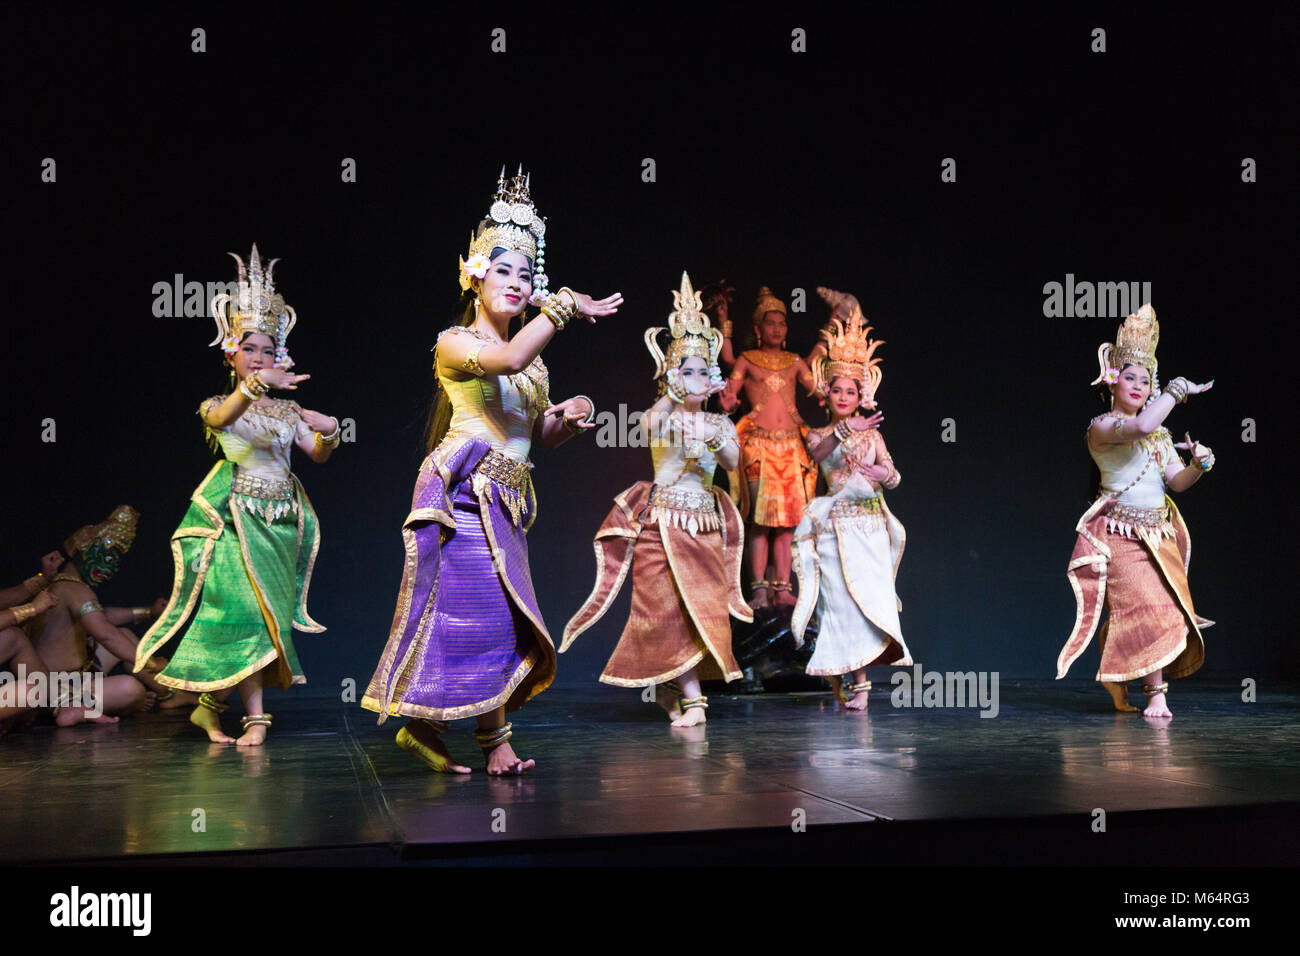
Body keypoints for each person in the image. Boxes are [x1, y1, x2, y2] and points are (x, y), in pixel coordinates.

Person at [362, 166, 622, 774]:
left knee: (487, 618)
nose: (515, 281)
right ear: (475, 276)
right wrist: (560, 308)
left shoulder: (536, 369)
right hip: (464, 495)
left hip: (507, 499)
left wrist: (572, 415)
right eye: (502, 269)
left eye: (526, 273)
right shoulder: (453, 342)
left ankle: (429, 726)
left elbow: (536, 439)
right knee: (486, 615)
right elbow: (506, 356)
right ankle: (490, 741)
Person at [134, 245, 341, 745]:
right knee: (246, 615)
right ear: (231, 352)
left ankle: (207, 709)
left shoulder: (285, 412)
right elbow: (222, 420)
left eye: (269, 351)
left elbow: (315, 454)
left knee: (267, 620)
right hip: (234, 522)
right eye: (251, 349)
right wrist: (253, 386)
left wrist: (331, 430)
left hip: (280, 525)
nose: (261, 358)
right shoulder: (220, 404)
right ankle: (255, 720)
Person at [562, 272, 752, 727]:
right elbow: (645, 426)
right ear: (671, 375)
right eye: (687, 370)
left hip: (702, 525)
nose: (697, 378)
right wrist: (672, 395)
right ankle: (685, 695)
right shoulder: (662, 415)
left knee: (697, 609)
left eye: (704, 370)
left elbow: (730, 463)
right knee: (658, 612)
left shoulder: (719, 424)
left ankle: (684, 695)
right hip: (662, 523)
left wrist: (707, 436)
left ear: (715, 377)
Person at [1055, 305, 1215, 719]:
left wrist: (1198, 464)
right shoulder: (1103, 427)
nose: (1139, 386)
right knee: (1145, 607)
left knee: (1164, 608)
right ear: (1112, 380)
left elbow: (1176, 482)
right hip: (1119, 534)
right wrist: (1175, 392)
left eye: (1147, 381)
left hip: (1159, 535)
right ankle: (1156, 696)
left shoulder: (1160, 435)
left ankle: (1149, 687)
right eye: (1131, 377)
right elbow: (1140, 427)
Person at [792, 306, 912, 710]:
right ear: (826, 391)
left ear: (863, 395)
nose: (845, 397)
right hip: (832, 528)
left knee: (866, 602)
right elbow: (818, 454)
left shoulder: (873, 435)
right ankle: (838, 676)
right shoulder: (820, 434)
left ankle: (860, 682)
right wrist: (847, 429)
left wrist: (880, 474)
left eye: (852, 392)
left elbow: (893, 476)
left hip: (870, 529)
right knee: (837, 605)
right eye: (839, 390)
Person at [22, 508, 174, 722]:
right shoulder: (73, 589)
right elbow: (105, 634)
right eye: (109, 556)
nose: (112, 568)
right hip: (55, 688)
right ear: (85, 552)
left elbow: (103, 618)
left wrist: (147, 612)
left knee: (126, 637)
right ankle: (74, 708)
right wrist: (152, 664)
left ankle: (168, 694)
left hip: (67, 678)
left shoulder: (64, 585)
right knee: (131, 689)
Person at [718, 287, 819, 608]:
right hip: (757, 446)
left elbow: (816, 387)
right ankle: (759, 588)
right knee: (760, 521)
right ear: (758, 329)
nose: (777, 328)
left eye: (782, 323)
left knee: (788, 522)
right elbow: (730, 390)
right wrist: (729, 401)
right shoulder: (747, 360)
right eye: (770, 323)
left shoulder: (795, 361)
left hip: (791, 448)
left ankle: (782, 587)